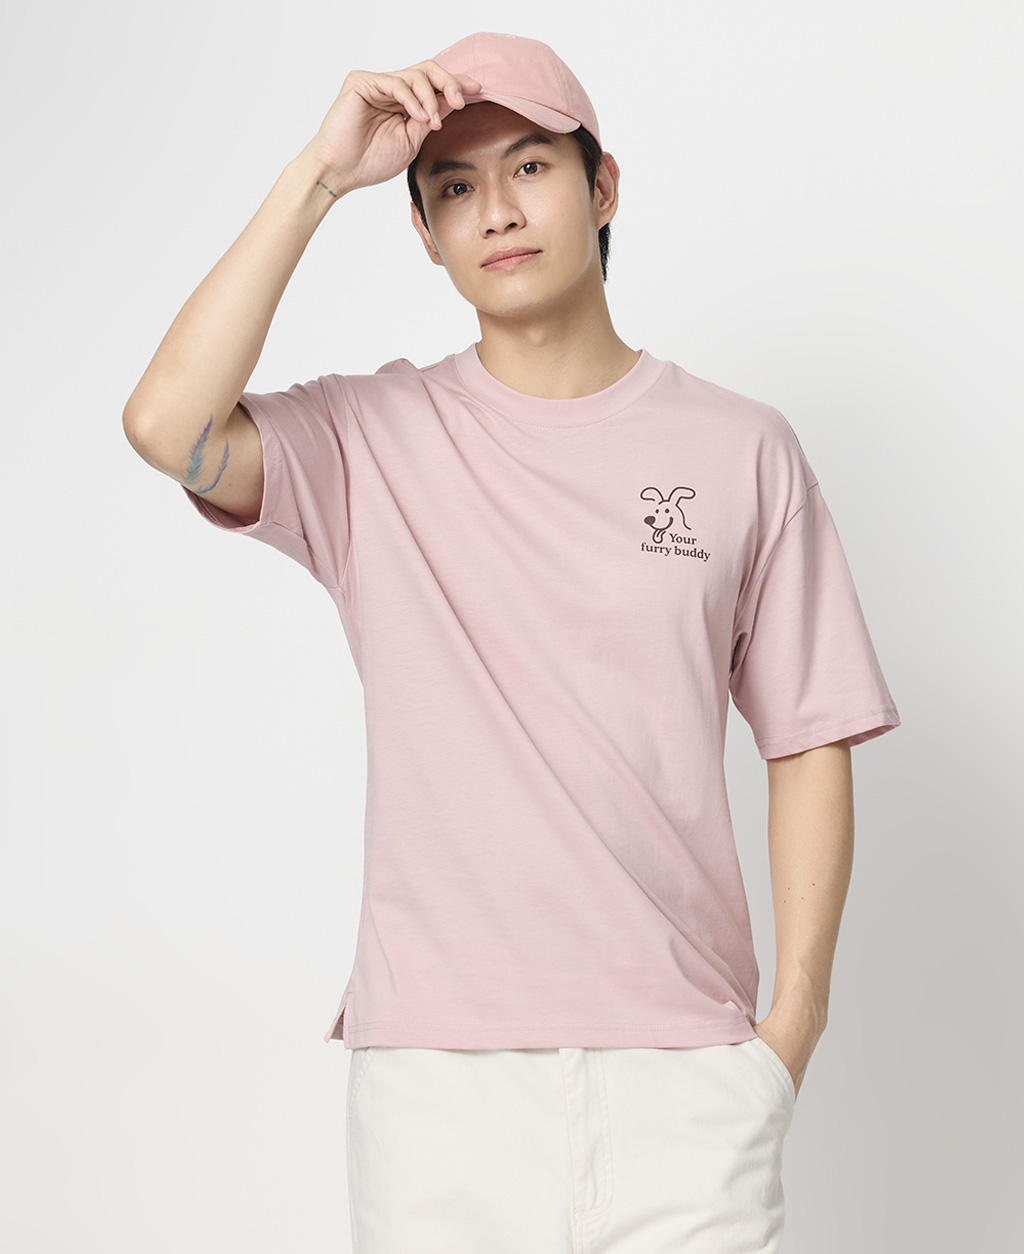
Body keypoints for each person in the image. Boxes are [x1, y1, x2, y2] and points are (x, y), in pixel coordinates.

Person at [123, 30, 902, 1253]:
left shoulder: (740, 448)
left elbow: (810, 735)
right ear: (425, 233)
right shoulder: (370, 440)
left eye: (530, 166)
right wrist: (319, 175)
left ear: (602, 188)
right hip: (439, 1092)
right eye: (454, 187)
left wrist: (786, 1035)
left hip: (686, 1078)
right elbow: (168, 426)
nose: (495, 210)